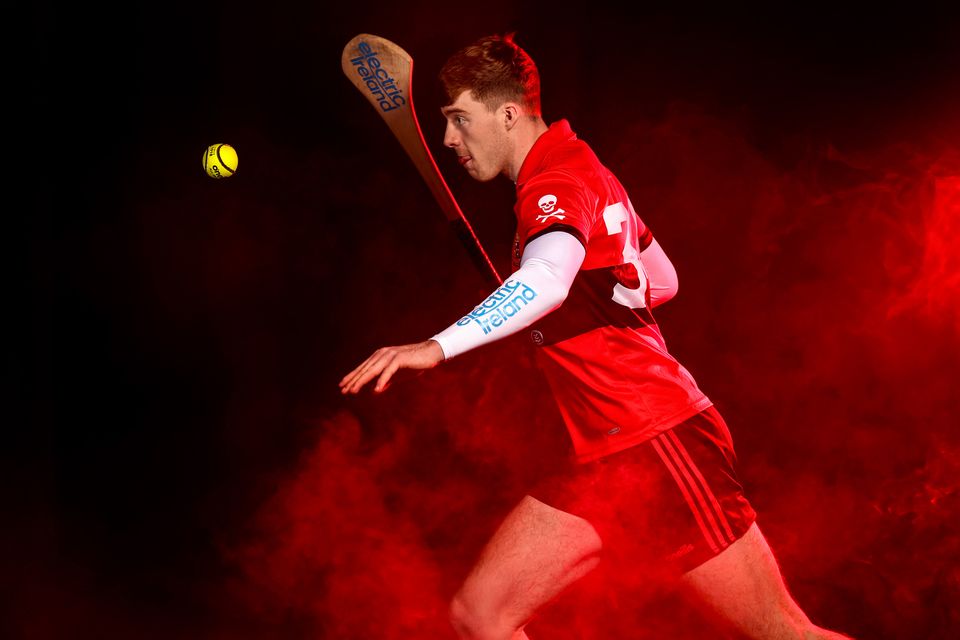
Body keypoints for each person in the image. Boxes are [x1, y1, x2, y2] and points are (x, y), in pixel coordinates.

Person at [340, 33, 852, 640]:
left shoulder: (553, 183)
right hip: (603, 455)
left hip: (653, 436)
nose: (449, 138)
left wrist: (436, 346)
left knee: (783, 632)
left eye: (459, 118)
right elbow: (662, 280)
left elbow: (546, 280)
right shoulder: (582, 167)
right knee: (481, 615)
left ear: (508, 114)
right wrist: (570, 309)